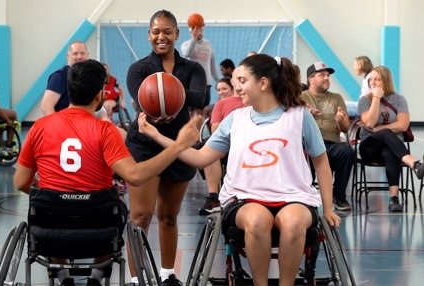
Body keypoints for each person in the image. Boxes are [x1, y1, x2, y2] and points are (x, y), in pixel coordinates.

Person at [138, 54, 341, 285]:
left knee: (294, 222)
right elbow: (201, 157)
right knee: (257, 220)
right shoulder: (235, 119)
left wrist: (328, 208)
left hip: (294, 197)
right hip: (244, 199)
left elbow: (322, 164)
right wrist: (157, 136)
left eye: (243, 81)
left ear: (263, 83)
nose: (237, 87)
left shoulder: (299, 116)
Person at [13, 59, 201, 286]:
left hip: (50, 233)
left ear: (68, 90)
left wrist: (53, 195)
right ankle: (97, 275)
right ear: (99, 95)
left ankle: (62, 275)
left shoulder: (39, 128)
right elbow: (135, 176)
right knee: (114, 206)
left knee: (50, 207)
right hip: (98, 233)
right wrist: (178, 146)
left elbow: (21, 182)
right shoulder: (105, 131)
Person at [125, 10, 207, 285]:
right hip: (145, 145)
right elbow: (141, 99)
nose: (162, 37)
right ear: (149, 34)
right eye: (156, 31)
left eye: (167, 31)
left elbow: (200, 95)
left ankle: (167, 275)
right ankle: (136, 279)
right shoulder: (138, 68)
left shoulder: (193, 68)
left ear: (176, 34)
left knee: (169, 216)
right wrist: (169, 95)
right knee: (140, 217)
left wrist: (170, 94)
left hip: (179, 146)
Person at [357, 66, 424, 212]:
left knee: (389, 150)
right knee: (388, 134)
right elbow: (369, 123)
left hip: (393, 148)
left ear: (386, 81)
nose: (373, 83)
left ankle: (394, 199)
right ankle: (415, 164)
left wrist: (378, 129)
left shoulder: (399, 99)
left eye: (377, 79)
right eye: (371, 80)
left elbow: (403, 124)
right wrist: (376, 98)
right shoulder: (364, 100)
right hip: (369, 147)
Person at [300, 61, 355, 211]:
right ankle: (305, 197)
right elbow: (293, 125)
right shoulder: (301, 97)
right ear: (311, 79)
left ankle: (338, 197)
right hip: (309, 143)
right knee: (302, 154)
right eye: (322, 75)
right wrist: (306, 114)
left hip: (331, 143)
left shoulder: (336, 98)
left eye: (327, 75)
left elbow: (345, 129)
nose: (326, 78)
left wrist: (342, 121)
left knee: (348, 152)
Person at [200, 74, 245, 214]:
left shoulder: (254, 101)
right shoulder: (221, 104)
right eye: (218, 90)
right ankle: (213, 196)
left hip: (247, 143)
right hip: (228, 143)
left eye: (223, 89)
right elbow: (216, 130)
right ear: (233, 81)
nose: (221, 92)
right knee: (210, 149)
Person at [40, 41, 89, 116]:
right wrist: (58, 126)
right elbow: (46, 107)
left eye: (82, 53)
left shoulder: (88, 76)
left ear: (87, 55)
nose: (79, 57)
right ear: (68, 56)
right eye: (75, 53)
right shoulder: (59, 76)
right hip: (64, 124)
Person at [181, 13, 218, 109]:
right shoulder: (186, 44)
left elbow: (212, 64)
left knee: (204, 110)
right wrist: (194, 38)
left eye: (201, 30)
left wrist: (218, 79)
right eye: (197, 31)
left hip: (207, 83)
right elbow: (187, 53)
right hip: (193, 83)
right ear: (191, 31)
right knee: (193, 111)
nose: (199, 33)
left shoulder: (208, 44)